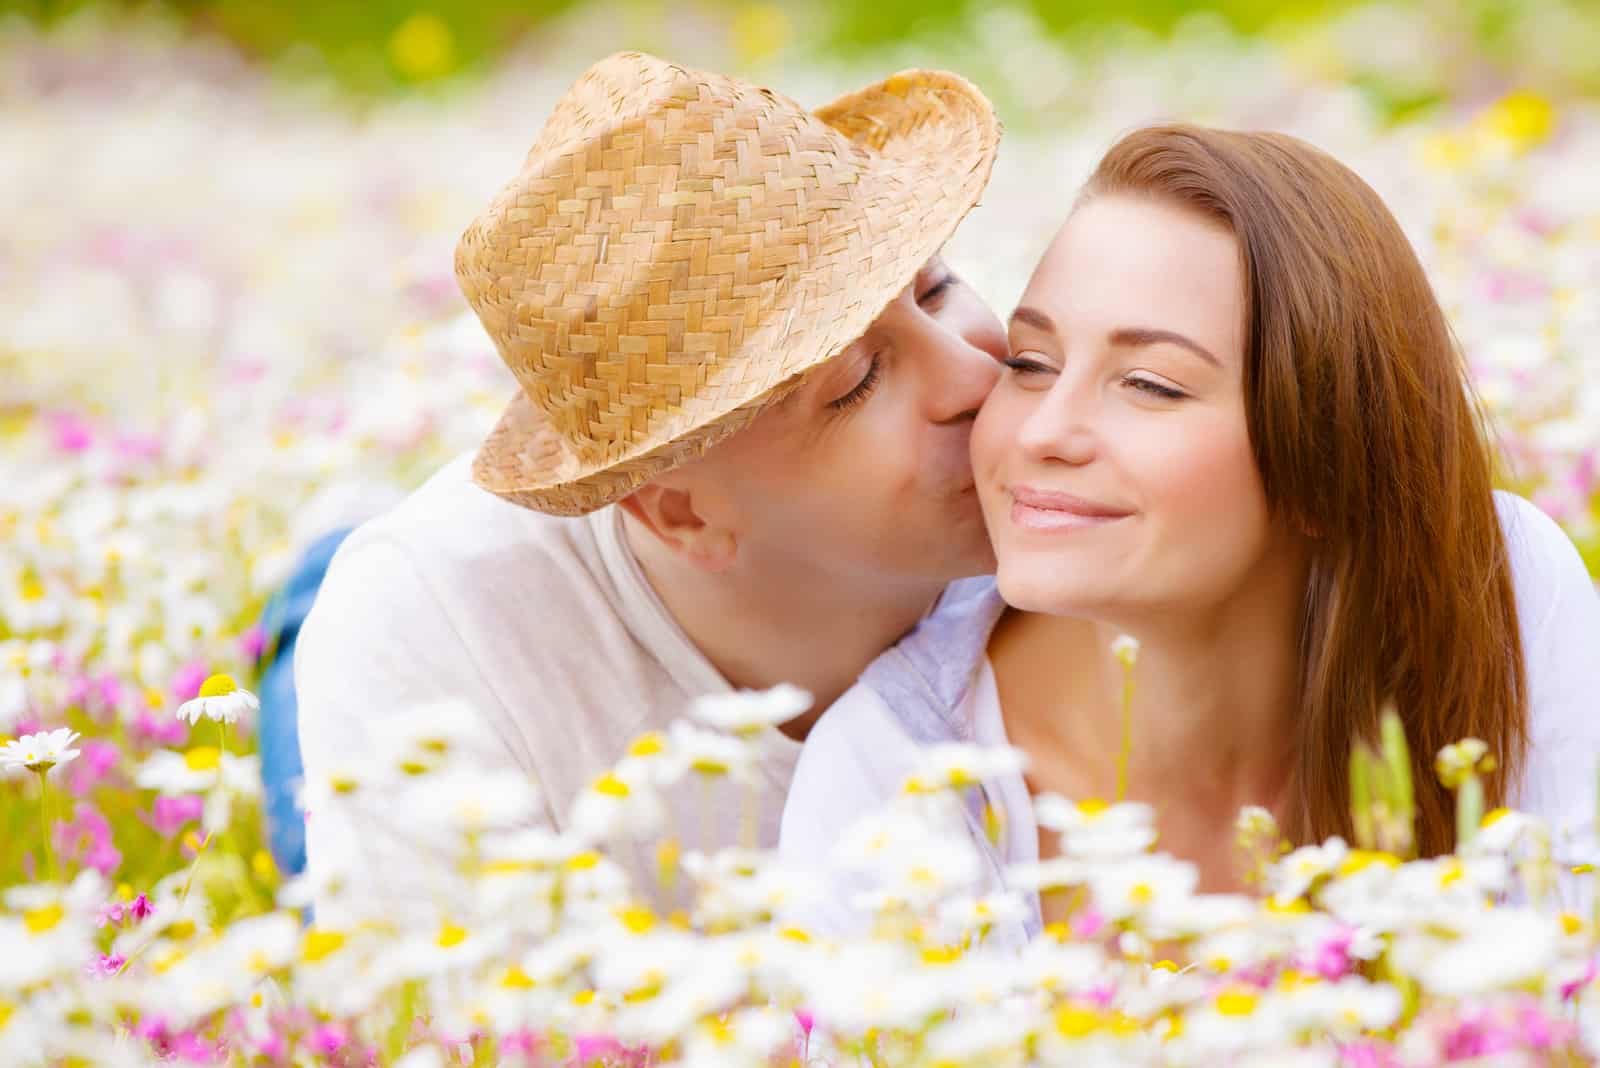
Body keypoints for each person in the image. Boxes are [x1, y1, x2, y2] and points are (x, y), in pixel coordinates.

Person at [781, 124, 1600, 942]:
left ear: (1325, 459)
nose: (1042, 433)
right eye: (1031, 363)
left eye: (1149, 385)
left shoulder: (1499, 587)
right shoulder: (893, 780)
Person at [292, 51, 1007, 923]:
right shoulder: (431, 643)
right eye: (858, 382)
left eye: (936, 289)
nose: (976, 376)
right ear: (681, 511)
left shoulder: (1067, 492)